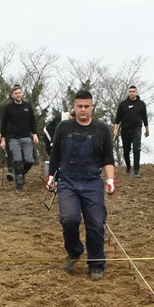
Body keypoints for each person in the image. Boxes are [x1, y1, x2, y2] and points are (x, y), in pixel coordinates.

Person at [46, 88, 117, 281]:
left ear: (92, 106)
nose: (83, 110)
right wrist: (51, 176)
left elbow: (108, 158)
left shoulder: (101, 129)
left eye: (86, 106)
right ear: (74, 107)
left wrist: (110, 179)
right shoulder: (64, 128)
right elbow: (55, 156)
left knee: (95, 223)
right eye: (79, 106)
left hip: (92, 182)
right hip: (68, 181)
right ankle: (74, 251)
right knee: (69, 219)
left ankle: (96, 263)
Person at [0, 85, 40, 191]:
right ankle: (19, 185)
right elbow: (4, 124)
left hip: (26, 137)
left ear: (22, 93)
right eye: (16, 93)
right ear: (12, 95)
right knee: (17, 160)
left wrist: (35, 134)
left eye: (19, 93)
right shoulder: (8, 108)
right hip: (13, 138)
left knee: (29, 160)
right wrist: (3, 139)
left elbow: (32, 121)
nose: (18, 95)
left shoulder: (27, 106)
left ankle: (20, 173)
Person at [111, 85, 150, 178]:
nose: (131, 93)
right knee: (126, 151)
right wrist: (115, 129)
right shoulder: (123, 104)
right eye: (130, 91)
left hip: (136, 129)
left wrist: (147, 130)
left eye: (133, 91)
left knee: (137, 149)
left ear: (136, 92)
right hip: (125, 129)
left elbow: (145, 118)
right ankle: (128, 167)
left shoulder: (141, 104)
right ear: (128, 92)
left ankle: (136, 171)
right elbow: (117, 119)